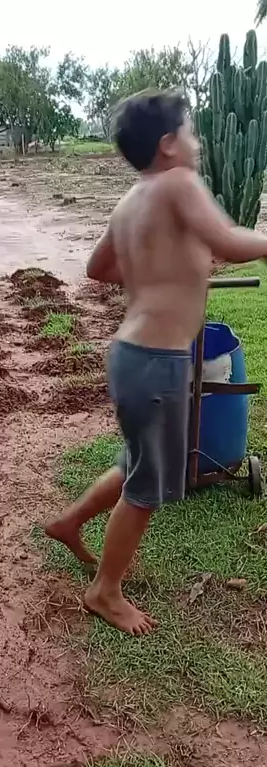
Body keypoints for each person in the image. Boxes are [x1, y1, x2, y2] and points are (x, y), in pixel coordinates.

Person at [44, 89, 267, 636]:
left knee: (136, 461)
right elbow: (229, 241)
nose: (198, 141)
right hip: (159, 361)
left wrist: (160, 272)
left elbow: (97, 268)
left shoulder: (130, 201)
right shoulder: (179, 182)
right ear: (168, 144)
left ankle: (70, 522)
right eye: (191, 131)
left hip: (130, 355)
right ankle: (105, 592)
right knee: (148, 488)